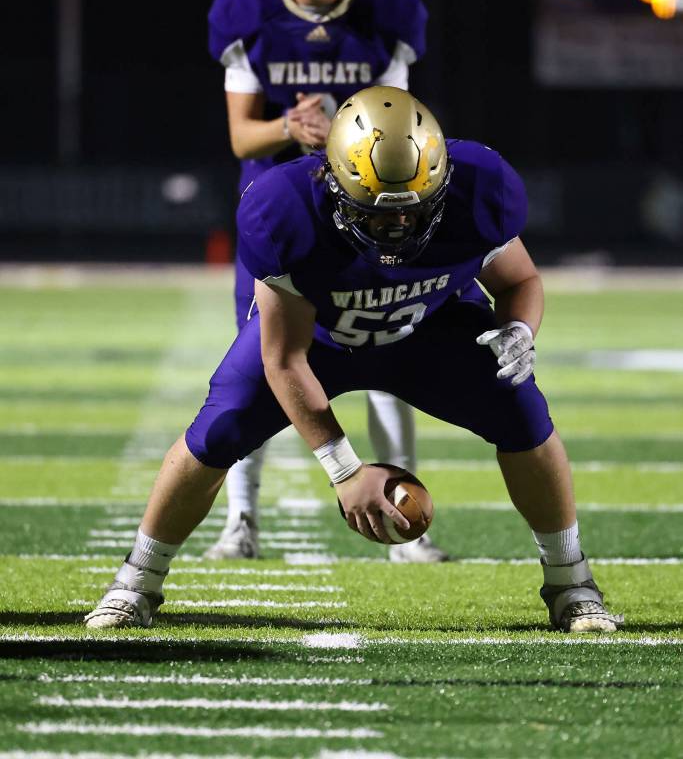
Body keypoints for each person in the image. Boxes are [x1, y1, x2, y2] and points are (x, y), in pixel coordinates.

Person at [85, 86, 622, 634]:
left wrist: (518, 329)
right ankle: (137, 581)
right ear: (331, 179)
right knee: (217, 430)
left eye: (414, 213)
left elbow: (521, 280)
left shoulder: (481, 188)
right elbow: (284, 357)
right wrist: (344, 471)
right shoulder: (283, 207)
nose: (397, 230)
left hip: (429, 330)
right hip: (319, 341)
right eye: (378, 215)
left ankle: (572, 584)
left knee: (523, 413)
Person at [205, 0, 446, 562]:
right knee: (253, 367)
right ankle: (239, 521)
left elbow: (400, 122)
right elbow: (240, 137)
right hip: (276, 217)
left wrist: (342, 133)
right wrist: (291, 127)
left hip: (366, 213)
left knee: (388, 356)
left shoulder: (388, 15)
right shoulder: (247, 14)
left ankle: (404, 529)